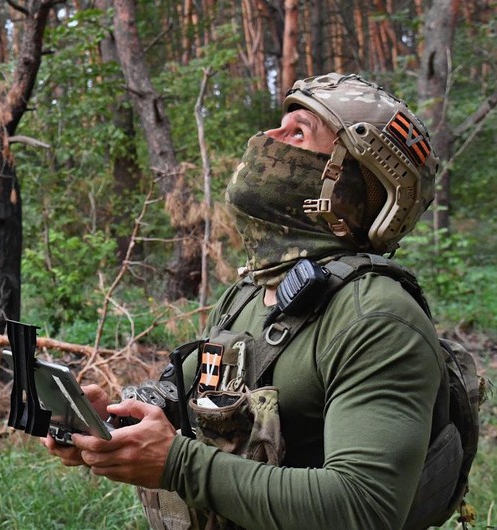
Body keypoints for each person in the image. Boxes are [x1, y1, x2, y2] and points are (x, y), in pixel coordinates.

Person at [44, 73, 444, 529]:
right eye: (280, 125)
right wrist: (107, 425)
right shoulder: (251, 292)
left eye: (298, 133)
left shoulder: (377, 317)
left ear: (351, 185)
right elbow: (187, 415)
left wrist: (177, 465)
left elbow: (365, 508)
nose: (267, 138)